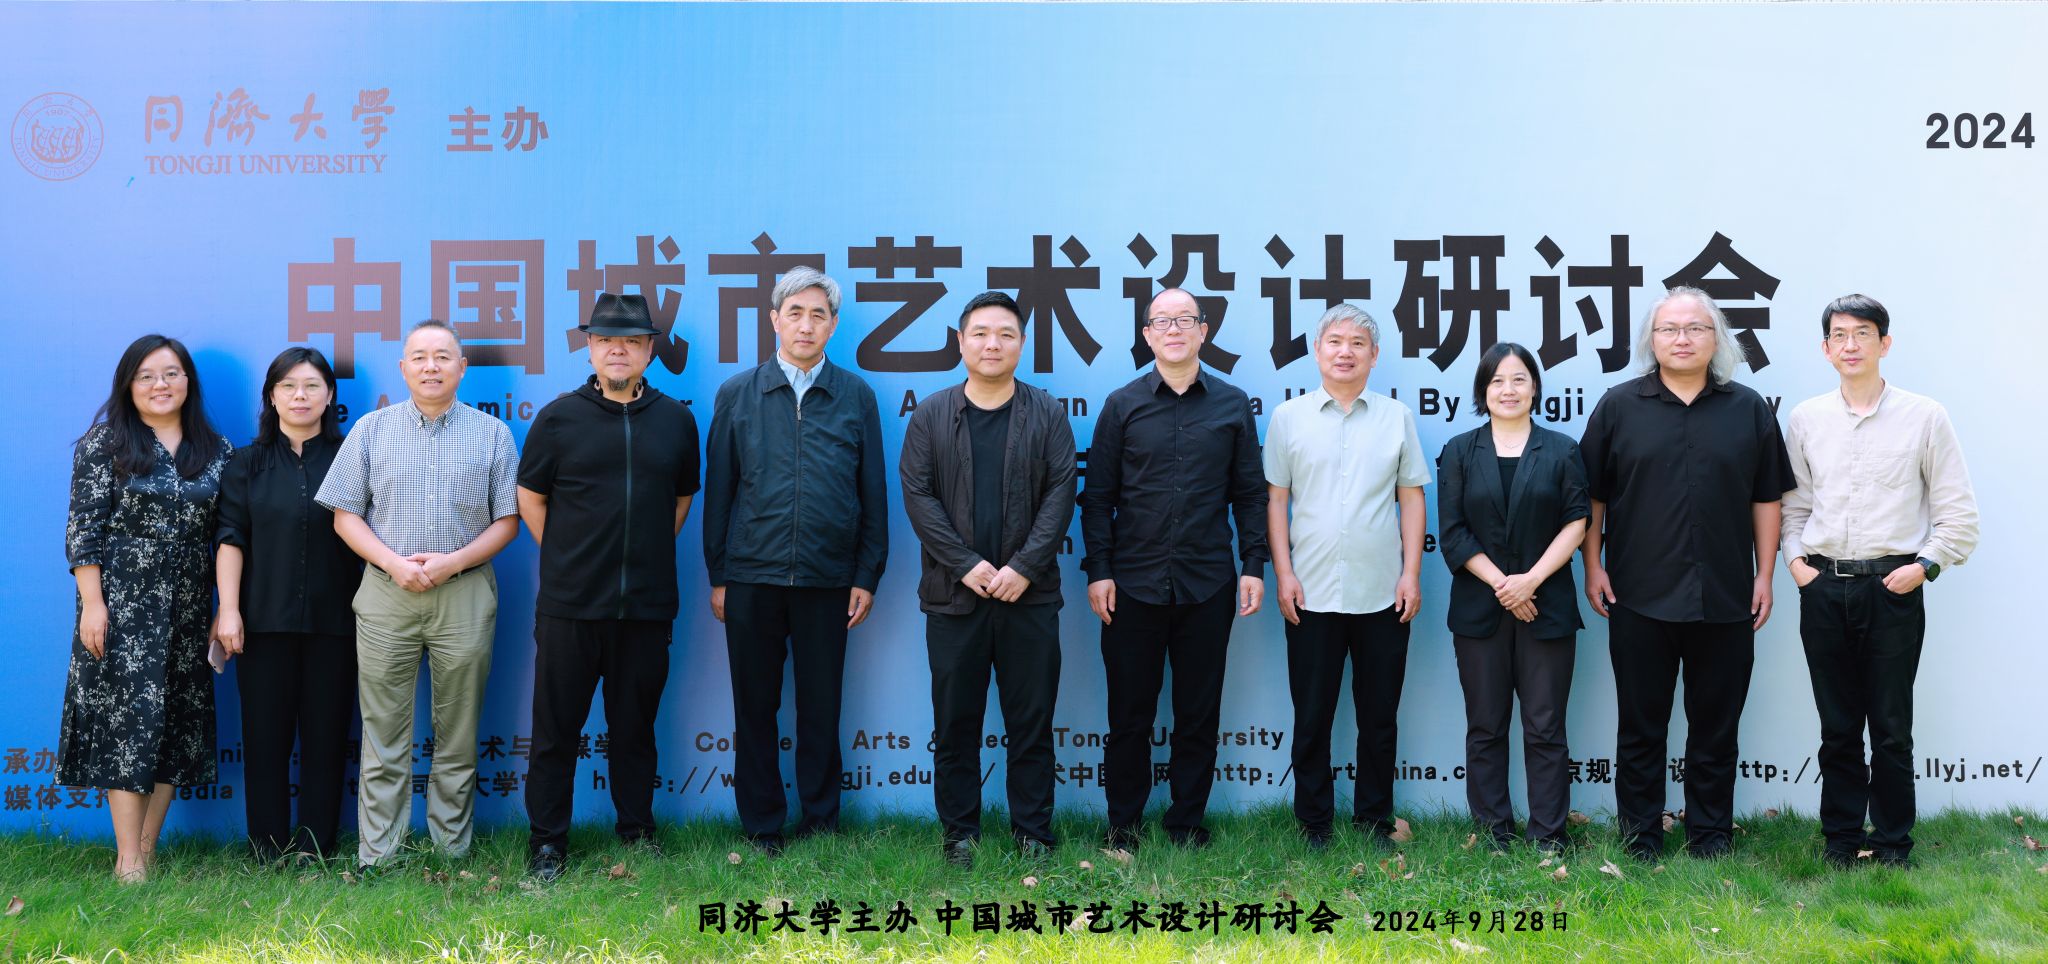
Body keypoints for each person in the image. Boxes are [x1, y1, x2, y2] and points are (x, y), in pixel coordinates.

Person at [1579, 286, 1794, 862]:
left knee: (1716, 728)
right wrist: (1593, 566)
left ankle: (1710, 838)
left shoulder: (1748, 408)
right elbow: (1593, 498)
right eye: (1669, 329)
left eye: (1696, 328)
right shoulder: (1619, 407)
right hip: (1637, 594)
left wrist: (1765, 575)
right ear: (1651, 340)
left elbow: (1767, 498)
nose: (1682, 338)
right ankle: (1640, 839)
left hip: (1726, 595)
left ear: (1716, 338)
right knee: (1641, 727)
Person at [1782, 294, 1978, 868]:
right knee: (1837, 726)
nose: (1851, 345)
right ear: (1825, 348)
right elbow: (1794, 507)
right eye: (1839, 335)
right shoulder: (1806, 419)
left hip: (1893, 587)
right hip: (1823, 587)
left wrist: (1924, 567)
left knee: (1891, 728)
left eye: (1863, 334)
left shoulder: (1925, 416)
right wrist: (1798, 567)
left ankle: (1893, 844)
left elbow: (1958, 515)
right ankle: (1841, 840)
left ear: (1884, 344)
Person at [315, 320, 520, 872]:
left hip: (464, 591)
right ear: (403, 368)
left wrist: (454, 561)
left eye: (443, 356)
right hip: (386, 592)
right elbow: (344, 516)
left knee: (458, 730)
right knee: (383, 731)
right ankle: (378, 854)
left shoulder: (492, 434)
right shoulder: (371, 429)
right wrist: (393, 563)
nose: (432, 366)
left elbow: (507, 521)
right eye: (420, 357)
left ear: (462, 368)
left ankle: (451, 848)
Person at [703, 266, 888, 854]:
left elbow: (873, 494)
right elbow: (719, 493)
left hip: (828, 578)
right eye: (795, 313)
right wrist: (720, 576)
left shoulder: (856, 395)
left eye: (818, 315)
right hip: (751, 576)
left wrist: (866, 574)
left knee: (821, 706)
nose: (806, 325)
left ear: (833, 325)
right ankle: (762, 825)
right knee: (754, 706)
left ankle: (821, 820)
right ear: (774, 319)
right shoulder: (738, 393)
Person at [517, 293, 701, 881]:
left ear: (648, 351)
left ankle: (637, 831)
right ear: (591, 349)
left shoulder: (676, 421)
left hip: (646, 607)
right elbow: (531, 498)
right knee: (555, 732)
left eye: (631, 341)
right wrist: (569, 558)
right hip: (570, 608)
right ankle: (548, 843)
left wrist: (639, 554)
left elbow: (680, 501)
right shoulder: (558, 419)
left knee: (634, 729)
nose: (617, 350)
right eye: (605, 341)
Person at [1083, 288, 1266, 852]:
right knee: (1129, 716)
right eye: (1161, 321)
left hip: (1207, 583)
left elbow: (1249, 495)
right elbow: (1098, 498)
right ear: (1147, 335)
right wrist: (1099, 570)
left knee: (1198, 715)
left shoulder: (1232, 404)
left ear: (1203, 331)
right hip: (1130, 586)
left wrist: (1253, 564)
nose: (1173, 330)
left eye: (1185, 320)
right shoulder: (1122, 404)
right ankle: (1123, 827)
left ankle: (1186, 824)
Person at [899, 291, 1077, 867]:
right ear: (961, 342)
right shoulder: (931, 415)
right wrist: (966, 564)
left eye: (1005, 334)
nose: (991, 344)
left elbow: (1061, 493)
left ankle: (1033, 834)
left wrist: (1023, 567)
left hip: (1030, 597)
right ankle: (959, 835)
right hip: (954, 598)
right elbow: (918, 496)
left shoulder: (1047, 413)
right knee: (955, 723)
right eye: (979, 333)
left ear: (1021, 344)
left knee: (1032, 722)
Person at [60, 333, 231, 882]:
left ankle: (148, 850)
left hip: (188, 606)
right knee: (127, 728)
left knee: (173, 728)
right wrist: (93, 604)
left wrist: (224, 605)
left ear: (189, 382)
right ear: (128, 385)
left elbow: (227, 535)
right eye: (147, 376)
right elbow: (83, 529)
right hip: (123, 606)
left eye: (172, 373)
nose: (161, 385)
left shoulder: (217, 450)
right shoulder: (105, 444)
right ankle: (128, 859)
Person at [1264, 303, 1430, 850]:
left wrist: (1410, 573)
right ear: (1317, 351)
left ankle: (1374, 819)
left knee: (1379, 717)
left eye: (1358, 343)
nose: (1345, 352)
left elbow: (1411, 498)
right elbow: (1276, 500)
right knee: (1311, 716)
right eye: (1335, 341)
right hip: (1308, 592)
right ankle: (1314, 822)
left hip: (1382, 592)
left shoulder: (1395, 417)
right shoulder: (1288, 418)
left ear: (1374, 356)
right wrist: (1283, 573)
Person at [1436, 342, 1588, 854]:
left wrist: (1531, 581)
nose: (1508, 389)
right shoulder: (1460, 450)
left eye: (1519, 379)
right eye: (1497, 380)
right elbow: (1453, 531)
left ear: (1535, 388)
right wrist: (1506, 586)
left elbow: (1577, 522)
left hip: (1548, 606)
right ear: (1483, 391)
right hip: (1479, 610)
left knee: (1545, 726)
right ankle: (1493, 832)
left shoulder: (1562, 449)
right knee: (1485, 725)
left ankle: (1548, 835)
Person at [213, 347, 361, 862]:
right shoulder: (245, 463)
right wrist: (229, 610)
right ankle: (266, 847)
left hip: (336, 623)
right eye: (288, 386)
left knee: (326, 738)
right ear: (271, 397)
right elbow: (230, 538)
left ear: (330, 395)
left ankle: (315, 847)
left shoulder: (351, 456)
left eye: (312, 385)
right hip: (262, 623)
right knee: (264, 739)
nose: (301, 396)